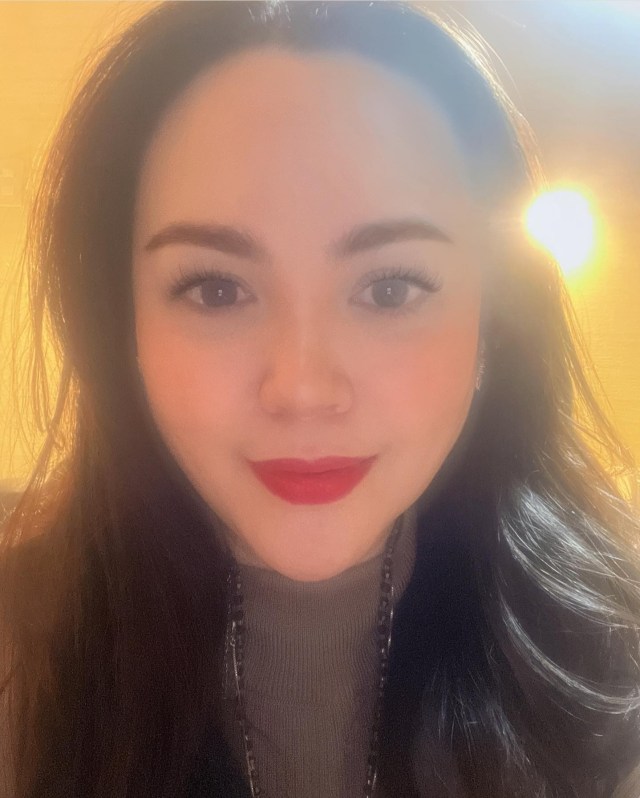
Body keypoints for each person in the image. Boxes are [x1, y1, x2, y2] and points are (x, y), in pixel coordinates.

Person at [1, 2, 639, 796]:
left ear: (494, 323)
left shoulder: (616, 655)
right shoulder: (22, 660)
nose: (302, 390)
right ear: (120, 324)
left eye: (390, 288)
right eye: (216, 288)